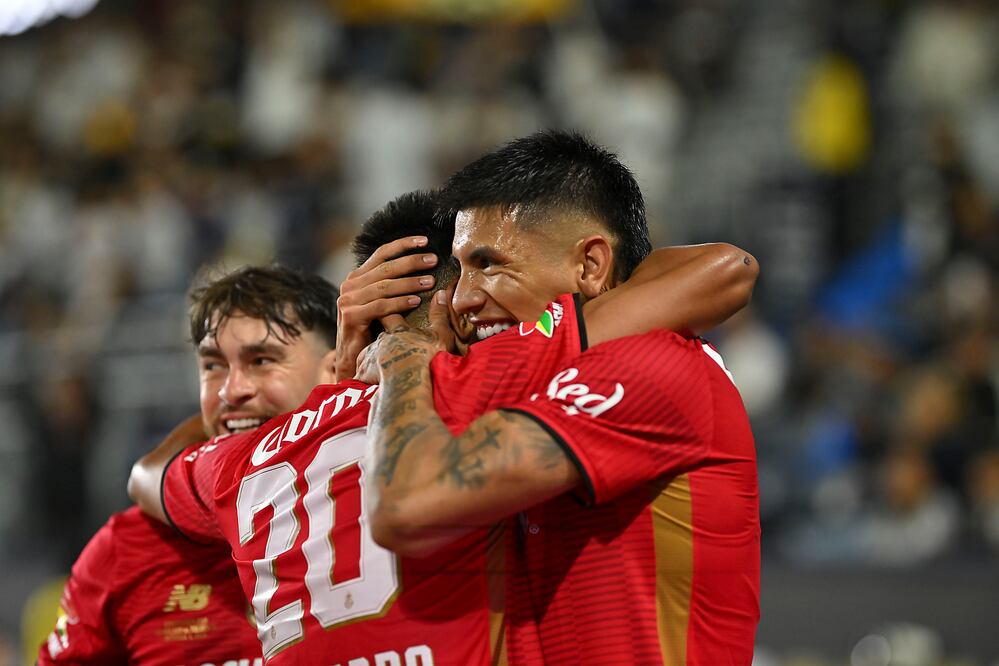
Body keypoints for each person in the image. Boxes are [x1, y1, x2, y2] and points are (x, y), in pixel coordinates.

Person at [129, 187, 756, 664]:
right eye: (469, 277)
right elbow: (722, 269)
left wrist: (328, 387)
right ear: (447, 310)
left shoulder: (240, 464)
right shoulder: (480, 381)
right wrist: (406, 363)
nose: (475, 301)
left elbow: (148, 474)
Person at [362, 131, 760, 664]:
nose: (462, 299)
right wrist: (348, 360)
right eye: (460, 272)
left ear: (590, 266)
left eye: (489, 264)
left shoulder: (654, 366)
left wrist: (403, 359)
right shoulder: (518, 378)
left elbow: (407, 506)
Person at [40, 264, 342, 666]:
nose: (231, 391)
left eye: (262, 360)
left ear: (335, 369)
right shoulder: (128, 548)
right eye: (213, 366)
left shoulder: (383, 510)